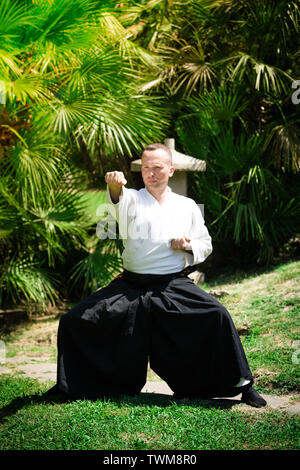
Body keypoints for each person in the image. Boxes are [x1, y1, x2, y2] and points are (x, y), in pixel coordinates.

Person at [49, 143, 266, 408]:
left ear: (171, 170)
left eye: (157, 168)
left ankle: (242, 386)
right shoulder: (131, 199)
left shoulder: (187, 206)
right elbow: (116, 201)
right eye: (146, 168)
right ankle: (69, 385)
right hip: (130, 284)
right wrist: (115, 184)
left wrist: (186, 245)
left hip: (171, 283)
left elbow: (205, 243)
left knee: (217, 314)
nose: (150, 174)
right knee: (74, 320)